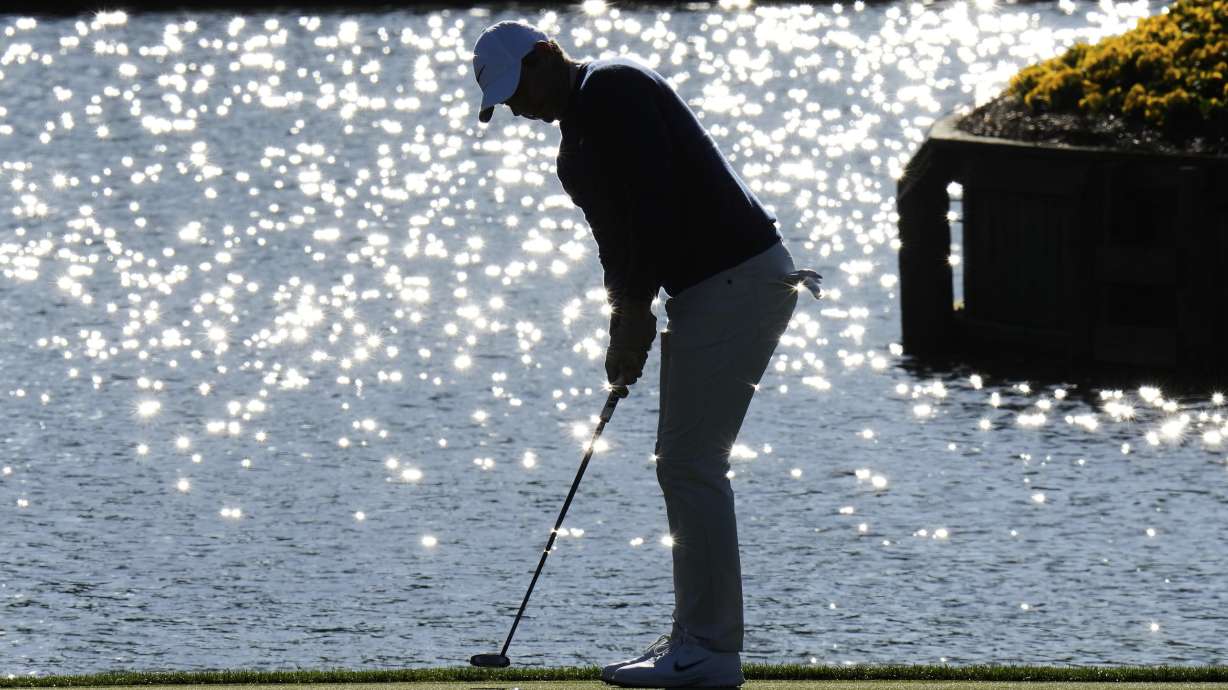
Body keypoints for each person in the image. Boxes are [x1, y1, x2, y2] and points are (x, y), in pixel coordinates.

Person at [471, 20, 822, 688]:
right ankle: (698, 637)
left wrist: (636, 311)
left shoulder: (615, 88)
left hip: (737, 278)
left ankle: (710, 649)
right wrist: (621, 324)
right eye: (508, 102)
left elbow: (657, 205)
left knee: (690, 464)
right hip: (708, 289)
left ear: (547, 56)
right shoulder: (573, 149)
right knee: (684, 464)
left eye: (520, 89)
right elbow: (619, 242)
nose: (519, 108)